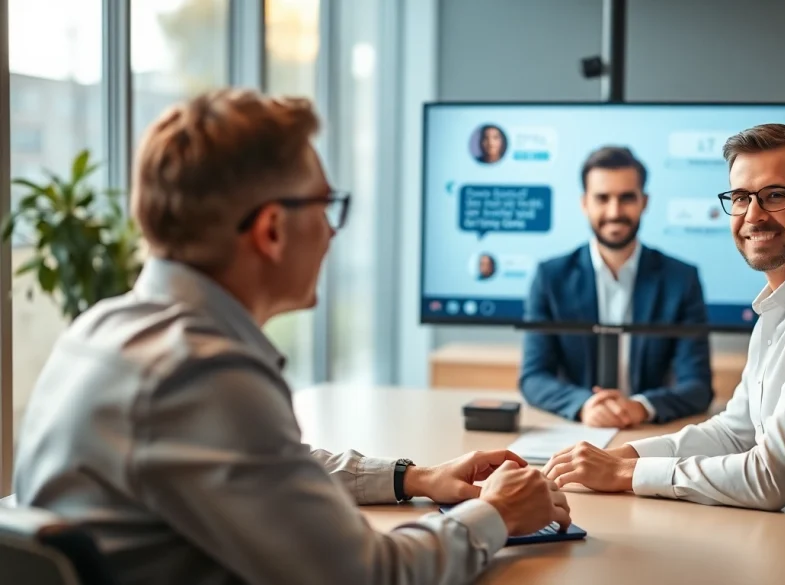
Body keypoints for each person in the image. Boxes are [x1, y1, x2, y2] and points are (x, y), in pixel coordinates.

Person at [12, 89, 571, 585]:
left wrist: (415, 478)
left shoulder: (105, 330)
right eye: (326, 206)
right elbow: (370, 576)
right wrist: (495, 515)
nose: (331, 231)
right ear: (272, 229)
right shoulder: (200, 372)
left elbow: (268, 468)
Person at [541, 125, 785, 585]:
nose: (753, 215)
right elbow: (735, 431)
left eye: (775, 195)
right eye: (741, 197)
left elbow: (770, 478)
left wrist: (627, 474)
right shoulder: (782, 305)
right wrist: (623, 455)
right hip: (781, 534)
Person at [519, 146, 713, 428]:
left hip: (647, 431)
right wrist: (584, 405)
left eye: (626, 198)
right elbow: (533, 377)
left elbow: (697, 385)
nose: (614, 211)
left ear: (644, 202)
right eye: (602, 198)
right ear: (584, 203)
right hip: (576, 430)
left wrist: (641, 407)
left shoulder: (681, 279)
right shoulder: (550, 277)